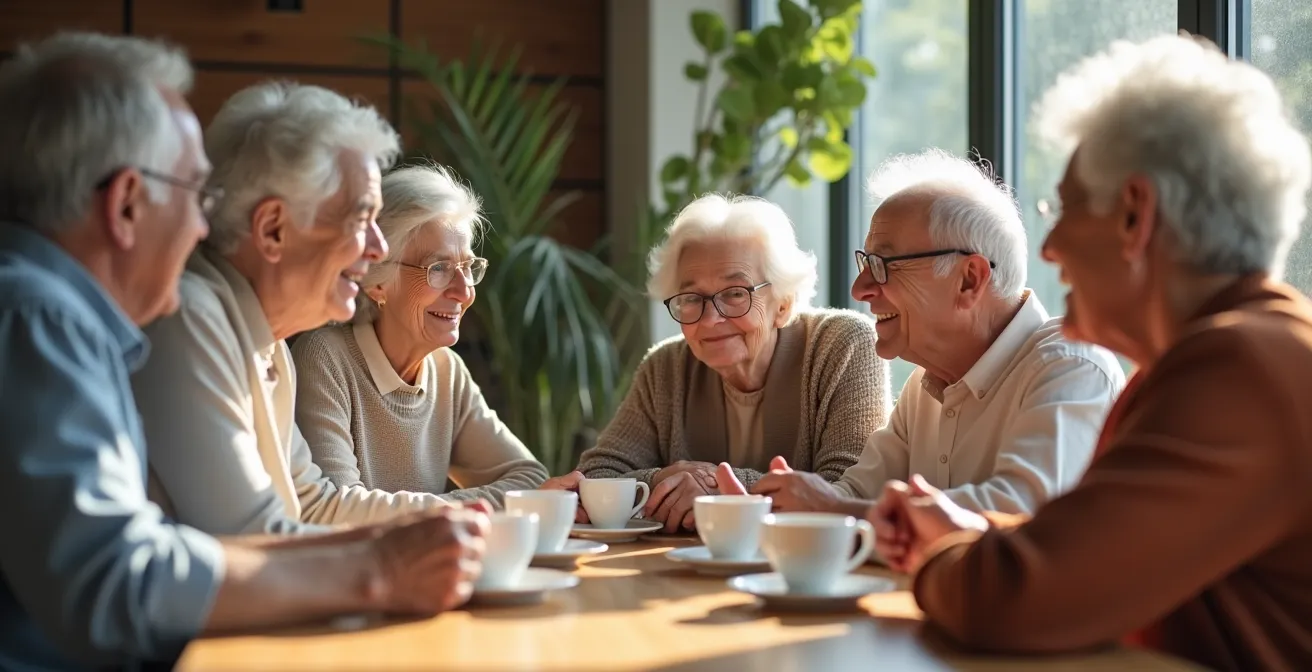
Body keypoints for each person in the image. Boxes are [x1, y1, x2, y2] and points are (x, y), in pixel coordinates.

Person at [0, 32, 486, 670]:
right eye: (190, 192)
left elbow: (292, 510)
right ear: (125, 204)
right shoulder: (42, 315)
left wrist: (414, 547)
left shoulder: (255, 342)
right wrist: (379, 569)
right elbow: (123, 578)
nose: (204, 223)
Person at [872, 34, 1312, 671]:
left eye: (1066, 207)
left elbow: (1014, 601)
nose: (1048, 248)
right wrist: (972, 534)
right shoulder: (1251, 350)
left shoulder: (1236, 370)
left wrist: (938, 559)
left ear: (1135, 216)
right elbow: (1109, 555)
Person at [131, 82, 464, 535]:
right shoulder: (192, 320)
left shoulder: (268, 344)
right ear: (272, 230)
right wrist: (395, 563)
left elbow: (313, 504)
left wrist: (456, 519)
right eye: (360, 219)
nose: (378, 247)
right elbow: (255, 537)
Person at [717, 149, 1124, 516]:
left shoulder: (1071, 367)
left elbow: (1017, 512)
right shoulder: (923, 388)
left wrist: (829, 507)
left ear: (969, 280)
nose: (860, 289)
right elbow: (856, 495)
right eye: (865, 264)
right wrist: (766, 512)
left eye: (884, 265)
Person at [550, 193, 892, 533]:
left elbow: (846, 490)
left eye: (735, 294)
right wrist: (662, 479)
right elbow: (594, 477)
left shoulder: (843, 344)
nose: (710, 319)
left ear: (783, 304)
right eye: (691, 298)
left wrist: (714, 485)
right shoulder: (665, 367)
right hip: (684, 568)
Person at [292, 164, 548, 506]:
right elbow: (338, 508)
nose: (464, 291)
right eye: (438, 268)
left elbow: (531, 478)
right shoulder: (324, 359)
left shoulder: (447, 370)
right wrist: (455, 510)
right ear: (377, 281)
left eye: (469, 267)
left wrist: (448, 510)